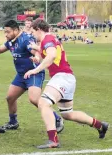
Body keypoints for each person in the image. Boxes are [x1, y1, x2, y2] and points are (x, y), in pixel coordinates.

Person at [24, 18, 109, 149]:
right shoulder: (48, 41)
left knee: (43, 103)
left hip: (62, 77)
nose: (33, 35)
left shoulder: (47, 39)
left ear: (38, 29)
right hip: (67, 77)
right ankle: (100, 125)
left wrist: (35, 69)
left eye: (33, 32)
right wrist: (36, 56)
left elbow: (51, 56)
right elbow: (45, 57)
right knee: (67, 114)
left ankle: (53, 140)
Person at [0, 20, 63, 132]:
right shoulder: (11, 41)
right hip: (21, 75)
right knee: (10, 98)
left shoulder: (25, 39)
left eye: (8, 32)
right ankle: (13, 122)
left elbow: (36, 51)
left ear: (16, 30)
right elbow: (0, 49)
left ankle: (57, 118)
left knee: (34, 99)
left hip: (34, 73)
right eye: (5, 32)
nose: (6, 34)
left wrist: (37, 58)